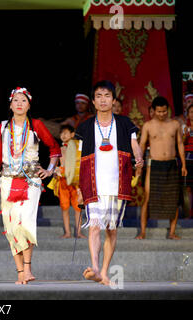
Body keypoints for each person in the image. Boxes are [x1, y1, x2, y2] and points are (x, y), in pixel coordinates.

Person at [0, 87, 61, 285]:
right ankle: (20, 271)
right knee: (11, 227)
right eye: (16, 100)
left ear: (29, 105)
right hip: (8, 179)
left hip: (31, 180)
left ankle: (27, 268)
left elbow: (54, 148)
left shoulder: (35, 125)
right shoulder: (2, 128)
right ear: (10, 105)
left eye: (23, 101)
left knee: (25, 223)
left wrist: (50, 170)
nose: (19, 104)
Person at [76, 80, 143, 285]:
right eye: (99, 96)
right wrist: (79, 187)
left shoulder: (124, 123)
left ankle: (104, 272)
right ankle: (95, 267)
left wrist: (138, 158)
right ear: (93, 102)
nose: (103, 100)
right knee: (94, 226)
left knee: (111, 229)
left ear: (113, 100)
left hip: (117, 183)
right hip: (92, 183)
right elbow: (79, 157)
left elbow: (134, 145)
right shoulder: (86, 126)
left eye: (107, 96)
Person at [135, 96, 187, 240]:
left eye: (164, 111)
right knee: (147, 198)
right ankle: (143, 232)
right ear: (153, 111)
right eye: (159, 111)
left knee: (173, 199)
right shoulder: (148, 125)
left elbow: (180, 144)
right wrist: (139, 165)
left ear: (167, 110)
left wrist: (183, 164)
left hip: (171, 164)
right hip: (154, 165)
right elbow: (142, 145)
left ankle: (171, 232)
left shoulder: (175, 124)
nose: (162, 114)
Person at [48, 124, 85, 239]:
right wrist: (54, 171)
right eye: (61, 133)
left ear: (72, 134)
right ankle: (67, 232)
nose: (63, 135)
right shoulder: (59, 149)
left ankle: (78, 232)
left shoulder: (78, 147)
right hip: (62, 180)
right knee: (64, 207)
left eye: (66, 133)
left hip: (74, 180)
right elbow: (54, 164)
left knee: (78, 207)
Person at [183, 103, 193, 218]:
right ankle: (189, 213)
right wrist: (185, 134)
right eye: (191, 112)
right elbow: (182, 143)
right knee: (189, 188)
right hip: (188, 159)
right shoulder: (185, 127)